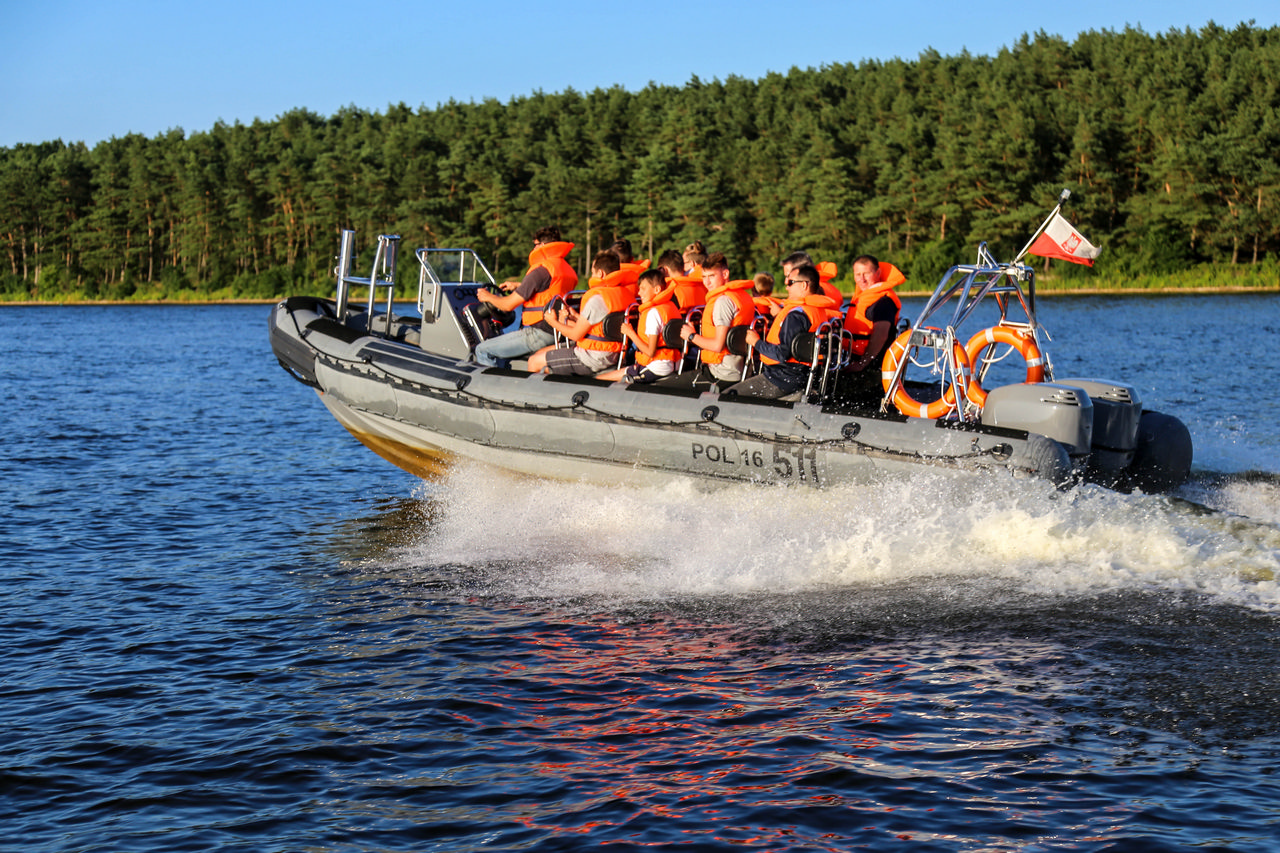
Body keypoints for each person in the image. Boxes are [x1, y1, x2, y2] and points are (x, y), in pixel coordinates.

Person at [725, 264, 840, 399]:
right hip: (802, 377)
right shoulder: (816, 311)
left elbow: (781, 354)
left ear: (804, 285)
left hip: (781, 379)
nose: (786, 287)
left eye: (790, 282)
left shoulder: (795, 316)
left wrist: (756, 342)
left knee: (727, 397)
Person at [473, 226, 577, 368]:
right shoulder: (565, 268)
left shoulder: (540, 270)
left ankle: (488, 388)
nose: (533, 249)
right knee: (502, 352)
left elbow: (508, 305)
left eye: (535, 245)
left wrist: (488, 297)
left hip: (540, 333)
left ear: (542, 245)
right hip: (560, 331)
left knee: (483, 350)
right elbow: (550, 291)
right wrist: (519, 286)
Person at [528, 251, 631, 376]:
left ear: (600, 273)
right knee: (541, 353)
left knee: (533, 361)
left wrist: (553, 322)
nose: (591, 276)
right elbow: (603, 328)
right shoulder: (625, 295)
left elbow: (575, 335)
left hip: (591, 358)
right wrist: (576, 317)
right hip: (615, 354)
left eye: (593, 273)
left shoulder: (597, 300)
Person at [663, 252, 755, 390]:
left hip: (720, 374)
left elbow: (718, 346)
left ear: (725, 275)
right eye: (704, 277)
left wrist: (691, 336)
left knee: (662, 387)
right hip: (739, 370)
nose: (707, 282)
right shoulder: (742, 296)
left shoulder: (722, 302)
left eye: (712, 276)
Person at [595, 269, 681, 384]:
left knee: (599, 380)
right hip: (673, 364)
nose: (639, 293)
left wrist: (630, 333)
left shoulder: (653, 313)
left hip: (656, 368)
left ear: (657, 289)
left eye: (643, 289)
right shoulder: (670, 307)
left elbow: (650, 352)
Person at [840, 253, 906, 399]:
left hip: (874, 366)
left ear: (877, 273)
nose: (861, 279)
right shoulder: (863, 298)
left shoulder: (883, 302)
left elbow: (881, 334)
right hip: (856, 361)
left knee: (835, 390)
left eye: (866, 274)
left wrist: (862, 363)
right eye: (858, 274)